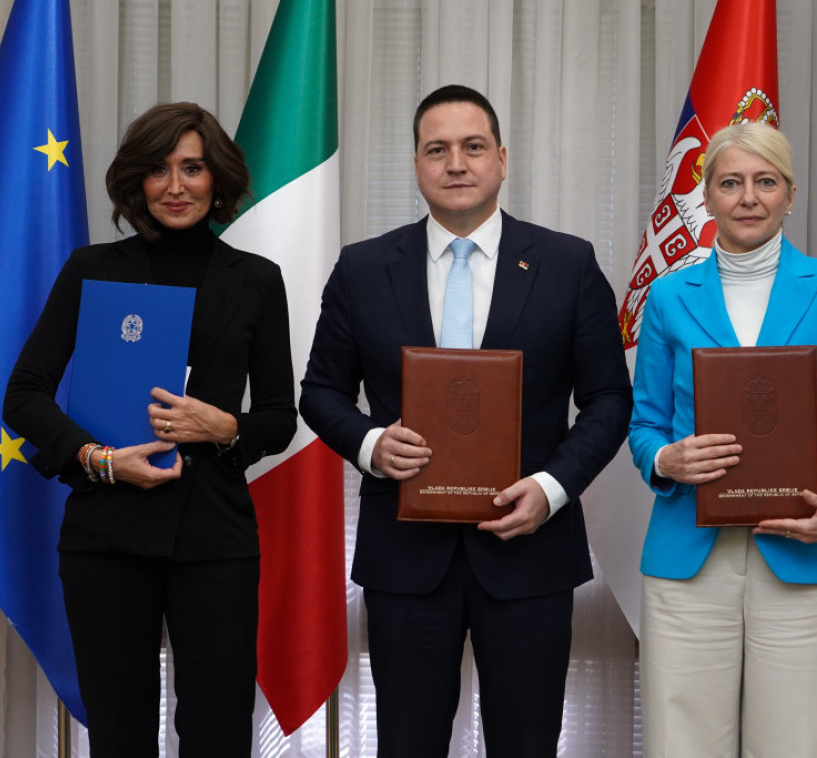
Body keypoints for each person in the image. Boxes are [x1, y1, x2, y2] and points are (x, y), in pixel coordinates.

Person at [299, 84, 631, 757]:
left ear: (501, 160)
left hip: (530, 553)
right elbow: (320, 393)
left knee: (527, 745)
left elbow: (609, 399)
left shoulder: (567, 264)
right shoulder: (364, 269)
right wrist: (370, 444)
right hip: (405, 561)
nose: (456, 163)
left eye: (473, 147)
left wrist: (552, 488)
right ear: (416, 165)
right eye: (438, 149)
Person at [3, 102, 296, 757]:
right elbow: (23, 395)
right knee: (120, 737)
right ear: (137, 182)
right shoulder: (91, 269)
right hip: (105, 536)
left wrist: (224, 426)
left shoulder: (257, 281)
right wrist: (98, 459)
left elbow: (280, 418)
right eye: (159, 170)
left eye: (192, 168)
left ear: (217, 179)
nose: (176, 186)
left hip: (215, 540)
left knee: (219, 736)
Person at [629, 121, 817, 757]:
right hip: (689, 559)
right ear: (707, 197)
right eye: (730, 183)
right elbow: (645, 425)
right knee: (681, 745)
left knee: (796, 745)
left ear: (790, 195)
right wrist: (665, 458)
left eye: (765, 182)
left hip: (804, 551)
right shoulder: (667, 296)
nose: (748, 197)